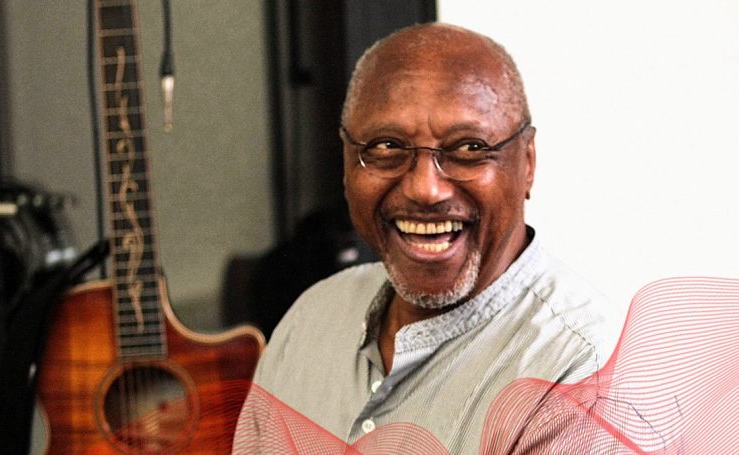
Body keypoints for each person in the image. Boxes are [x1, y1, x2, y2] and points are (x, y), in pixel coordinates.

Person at [234, 22, 612, 454]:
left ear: (527, 163)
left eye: (469, 148)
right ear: (345, 164)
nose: (425, 189)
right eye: (386, 146)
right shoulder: (312, 320)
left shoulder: (581, 377)